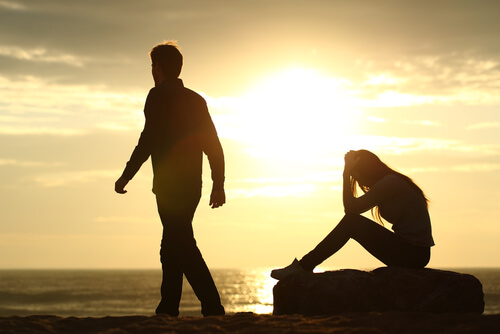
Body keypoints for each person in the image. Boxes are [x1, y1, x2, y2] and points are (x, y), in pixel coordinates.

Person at [115, 41, 226, 316]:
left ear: (159, 68)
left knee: (182, 244)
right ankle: (168, 308)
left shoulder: (157, 96)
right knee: (172, 244)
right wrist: (218, 184)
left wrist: (125, 176)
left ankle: (212, 306)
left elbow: (147, 141)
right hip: (193, 187)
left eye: (153, 65)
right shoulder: (196, 99)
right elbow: (213, 145)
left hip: (168, 187)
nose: (151, 71)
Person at [271, 149, 434, 280]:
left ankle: (304, 266)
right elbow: (351, 209)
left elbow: (350, 209)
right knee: (352, 221)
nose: (360, 183)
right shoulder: (390, 182)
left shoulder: (390, 183)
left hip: (413, 254)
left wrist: (346, 173)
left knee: (351, 222)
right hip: (413, 253)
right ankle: (304, 265)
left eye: (358, 177)